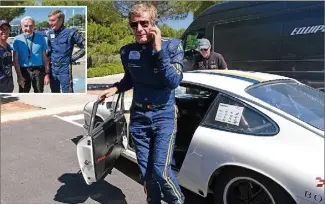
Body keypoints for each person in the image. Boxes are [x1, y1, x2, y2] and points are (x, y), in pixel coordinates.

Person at [98, 3, 185, 204]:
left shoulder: (172, 46)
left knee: (161, 171)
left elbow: (173, 81)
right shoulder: (127, 51)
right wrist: (116, 88)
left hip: (163, 116)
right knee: (146, 174)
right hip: (139, 118)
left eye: (144, 23)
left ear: (154, 23)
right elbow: (130, 79)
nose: (139, 29)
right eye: (134, 24)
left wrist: (158, 49)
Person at [47, 10, 85, 93]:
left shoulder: (71, 33)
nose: (50, 23)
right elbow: (49, 52)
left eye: (53, 20)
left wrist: (72, 58)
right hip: (53, 68)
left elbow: (84, 48)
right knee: (54, 93)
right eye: (49, 20)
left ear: (60, 20)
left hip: (65, 69)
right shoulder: (50, 34)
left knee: (67, 92)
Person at [13, 16, 50, 93]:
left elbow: (45, 58)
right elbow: (15, 60)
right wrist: (19, 76)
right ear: (21, 26)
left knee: (39, 93)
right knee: (23, 94)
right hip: (24, 71)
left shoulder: (41, 38)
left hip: (38, 70)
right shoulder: (17, 39)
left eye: (31, 26)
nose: (28, 28)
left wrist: (47, 74)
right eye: (26, 26)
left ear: (34, 26)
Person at [0, 20, 15, 93]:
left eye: (6, 29)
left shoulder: (8, 46)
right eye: (1, 29)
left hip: (9, 83)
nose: (4, 31)